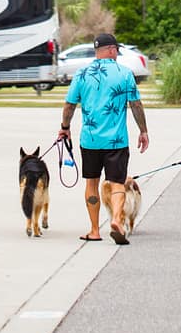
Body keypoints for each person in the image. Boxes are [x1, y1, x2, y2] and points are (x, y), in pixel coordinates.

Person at [57, 32, 149, 246]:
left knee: (92, 183)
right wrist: (143, 131)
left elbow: (69, 105)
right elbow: (136, 105)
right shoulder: (125, 73)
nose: (116, 53)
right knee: (117, 183)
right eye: (116, 49)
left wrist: (65, 128)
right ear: (111, 50)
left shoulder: (81, 74)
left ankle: (95, 230)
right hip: (117, 140)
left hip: (90, 140)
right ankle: (116, 220)